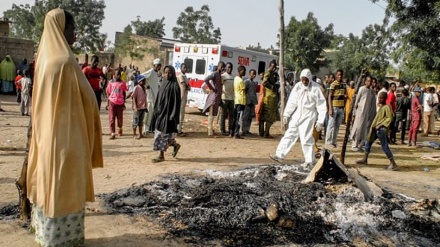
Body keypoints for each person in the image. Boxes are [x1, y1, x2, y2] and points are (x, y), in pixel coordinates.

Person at [27, 9, 103, 247]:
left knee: (48, 185)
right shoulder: (66, 60)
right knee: (66, 187)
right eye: (72, 28)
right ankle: (66, 238)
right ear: (61, 29)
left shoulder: (44, 58)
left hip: (46, 137)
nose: (75, 34)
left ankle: (47, 236)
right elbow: (89, 99)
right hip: (67, 138)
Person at [269, 69, 326, 167]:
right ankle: (279, 155)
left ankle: (309, 160)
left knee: (306, 138)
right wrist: (286, 114)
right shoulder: (298, 86)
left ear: (309, 79)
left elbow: (321, 105)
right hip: (297, 114)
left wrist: (320, 121)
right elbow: (292, 101)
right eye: (303, 80)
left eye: (306, 80)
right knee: (290, 134)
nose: (304, 82)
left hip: (309, 115)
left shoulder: (316, 89)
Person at [356, 92, 398, 170]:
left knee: (385, 146)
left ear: (385, 98)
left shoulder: (386, 107)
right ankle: (365, 159)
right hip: (375, 129)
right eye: (379, 98)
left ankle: (393, 163)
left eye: (381, 98)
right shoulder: (381, 107)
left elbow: (389, 118)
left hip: (380, 129)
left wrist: (380, 125)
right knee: (368, 142)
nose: (379, 99)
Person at [149, 65, 181, 162]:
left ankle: (161, 155)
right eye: (165, 72)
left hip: (168, 115)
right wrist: (156, 111)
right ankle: (175, 145)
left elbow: (176, 102)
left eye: (169, 73)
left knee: (162, 135)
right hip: (160, 113)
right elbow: (159, 98)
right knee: (163, 134)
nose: (167, 75)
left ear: (173, 73)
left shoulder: (175, 85)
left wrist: (173, 115)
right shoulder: (163, 83)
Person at [350, 76, 375, 151]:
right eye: (368, 81)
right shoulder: (362, 89)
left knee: (364, 129)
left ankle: (360, 145)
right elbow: (357, 100)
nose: (369, 83)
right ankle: (354, 145)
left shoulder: (371, 91)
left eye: (370, 81)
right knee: (358, 127)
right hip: (360, 112)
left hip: (366, 113)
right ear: (365, 81)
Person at [257, 59, 279, 138]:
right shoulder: (268, 72)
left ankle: (263, 132)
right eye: (273, 66)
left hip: (270, 97)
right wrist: (272, 87)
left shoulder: (272, 73)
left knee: (264, 116)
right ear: (270, 66)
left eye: (275, 66)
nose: (274, 68)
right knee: (269, 116)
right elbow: (264, 82)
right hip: (269, 97)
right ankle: (265, 133)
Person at [325, 69, 347, 148]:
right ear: (336, 75)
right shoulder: (333, 84)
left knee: (337, 126)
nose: (340, 76)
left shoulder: (344, 85)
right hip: (334, 107)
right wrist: (330, 108)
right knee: (331, 125)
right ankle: (328, 142)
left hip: (341, 108)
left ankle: (333, 141)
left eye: (341, 75)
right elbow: (330, 97)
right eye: (338, 75)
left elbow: (345, 95)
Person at [203, 61, 225, 136]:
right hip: (213, 96)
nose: (222, 68)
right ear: (218, 66)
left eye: (223, 67)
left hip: (217, 97)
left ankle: (211, 128)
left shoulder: (220, 75)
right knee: (211, 113)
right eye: (221, 66)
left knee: (214, 114)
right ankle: (209, 131)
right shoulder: (215, 74)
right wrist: (211, 88)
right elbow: (206, 79)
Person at [142, 58, 162, 134]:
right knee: (149, 112)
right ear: (154, 65)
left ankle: (152, 128)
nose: (158, 67)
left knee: (154, 112)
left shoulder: (158, 74)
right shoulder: (150, 72)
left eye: (160, 65)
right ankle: (146, 128)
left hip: (156, 96)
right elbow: (140, 76)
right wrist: (146, 85)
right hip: (150, 95)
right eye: (157, 65)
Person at [106, 69, 127, 139]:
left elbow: (124, 92)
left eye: (119, 74)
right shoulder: (110, 83)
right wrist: (108, 103)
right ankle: (112, 133)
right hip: (112, 102)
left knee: (119, 119)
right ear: (114, 75)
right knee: (111, 118)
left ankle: (120, 128)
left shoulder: (122, 83)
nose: (118, 76)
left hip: (120, 103)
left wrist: (124, 103)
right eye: (117, 74)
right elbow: (108, 92)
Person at [220, 62, 235, 136]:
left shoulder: (233, 76)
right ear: (225, 68)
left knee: (231, 115)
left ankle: (230, 130)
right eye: (228, 67)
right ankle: (222, 130)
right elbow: (220, 86)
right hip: (224, 98)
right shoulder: (223, 76)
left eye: (230, 67)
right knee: (223, 115)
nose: (229, 69)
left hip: (232, 98)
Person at [131, 75, 148, 139]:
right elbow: (133, 97)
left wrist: (145, 106)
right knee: (135, 121)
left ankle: (140, 134)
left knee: (141, 121)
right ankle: (134, 134)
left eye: (144, 80)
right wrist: (135, 107)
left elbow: (145, 98)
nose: (144, 82)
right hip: (137, 108)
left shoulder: (144, 88)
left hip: (143, 108)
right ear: (139, 81)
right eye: (143, 80)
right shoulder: (136, 88)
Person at [242, 69, 258, 136]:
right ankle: (243, 130)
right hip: (247, 101)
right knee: (245, 116)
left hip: (252, 101)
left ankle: (247, 130)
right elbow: (244, 91)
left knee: (250, 117)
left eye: (254, 74)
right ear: (249, 74)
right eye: (252, 74)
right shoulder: (246, 82)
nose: (253, 75)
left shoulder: (254, 83)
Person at [233, 65, 247, 139]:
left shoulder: (235, 78)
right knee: (239, 118)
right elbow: (244, 90)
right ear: (240, 71)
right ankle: (236, 133)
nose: (245, 72)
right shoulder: (241, 81)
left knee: (236, 117)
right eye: (244, 71)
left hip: (236, 100)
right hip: (241, 100)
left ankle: (234, 132)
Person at [177, 63, 190, 136]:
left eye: (186, 67)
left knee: (181, 114)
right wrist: (187, 87)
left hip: (184, 97)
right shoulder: (181, 76)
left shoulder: (185, 76)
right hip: (181, 97)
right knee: (180, 114)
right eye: (184, 67)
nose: (185, 69)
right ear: (181, 68)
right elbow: (184, 86)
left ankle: (179, 129)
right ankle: (178, 130)